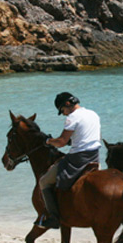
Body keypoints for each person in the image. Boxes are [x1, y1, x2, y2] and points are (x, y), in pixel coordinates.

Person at [38, 92, 101, 229]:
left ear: (67, 104)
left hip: (77, 159)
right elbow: (88, 137)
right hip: (95, 156)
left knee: (44, 181)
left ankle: (54, 218)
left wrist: (48, 141)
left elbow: (60, 142)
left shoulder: (72, 118)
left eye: (62, 110)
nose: (64, 114)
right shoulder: (93, 114)